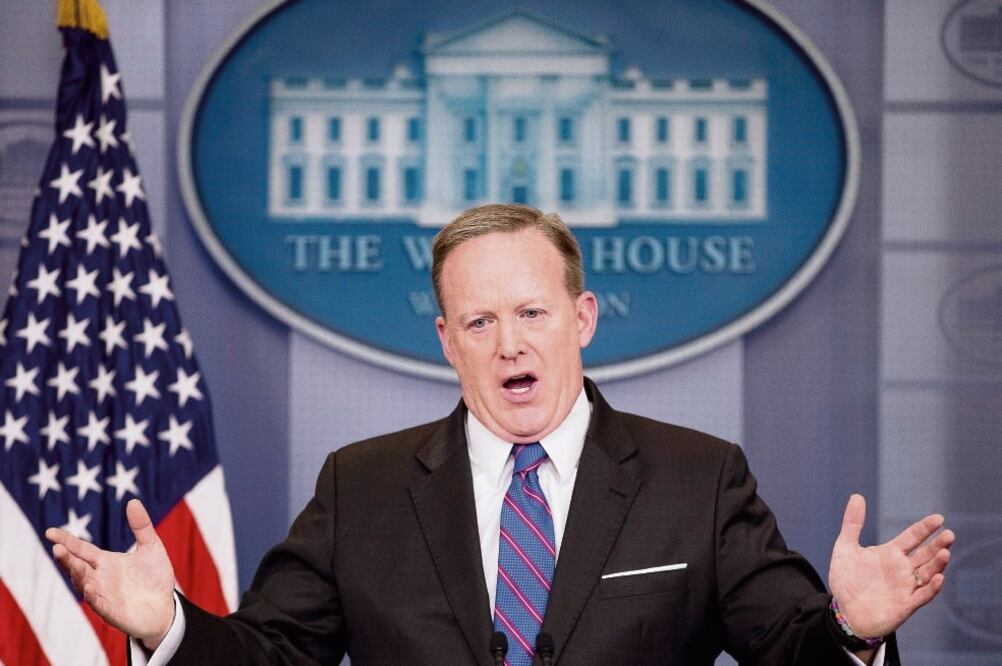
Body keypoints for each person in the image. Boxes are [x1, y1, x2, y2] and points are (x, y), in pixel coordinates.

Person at [48, 204, 953, 665]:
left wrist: (853, 633)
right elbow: (270, 658)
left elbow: (791, 652)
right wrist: (168, 625)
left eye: (531, 312)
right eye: (478, 322)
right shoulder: (357, 487)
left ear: (584, 316)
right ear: (446, 340)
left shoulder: (697, 478)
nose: (510, 344)